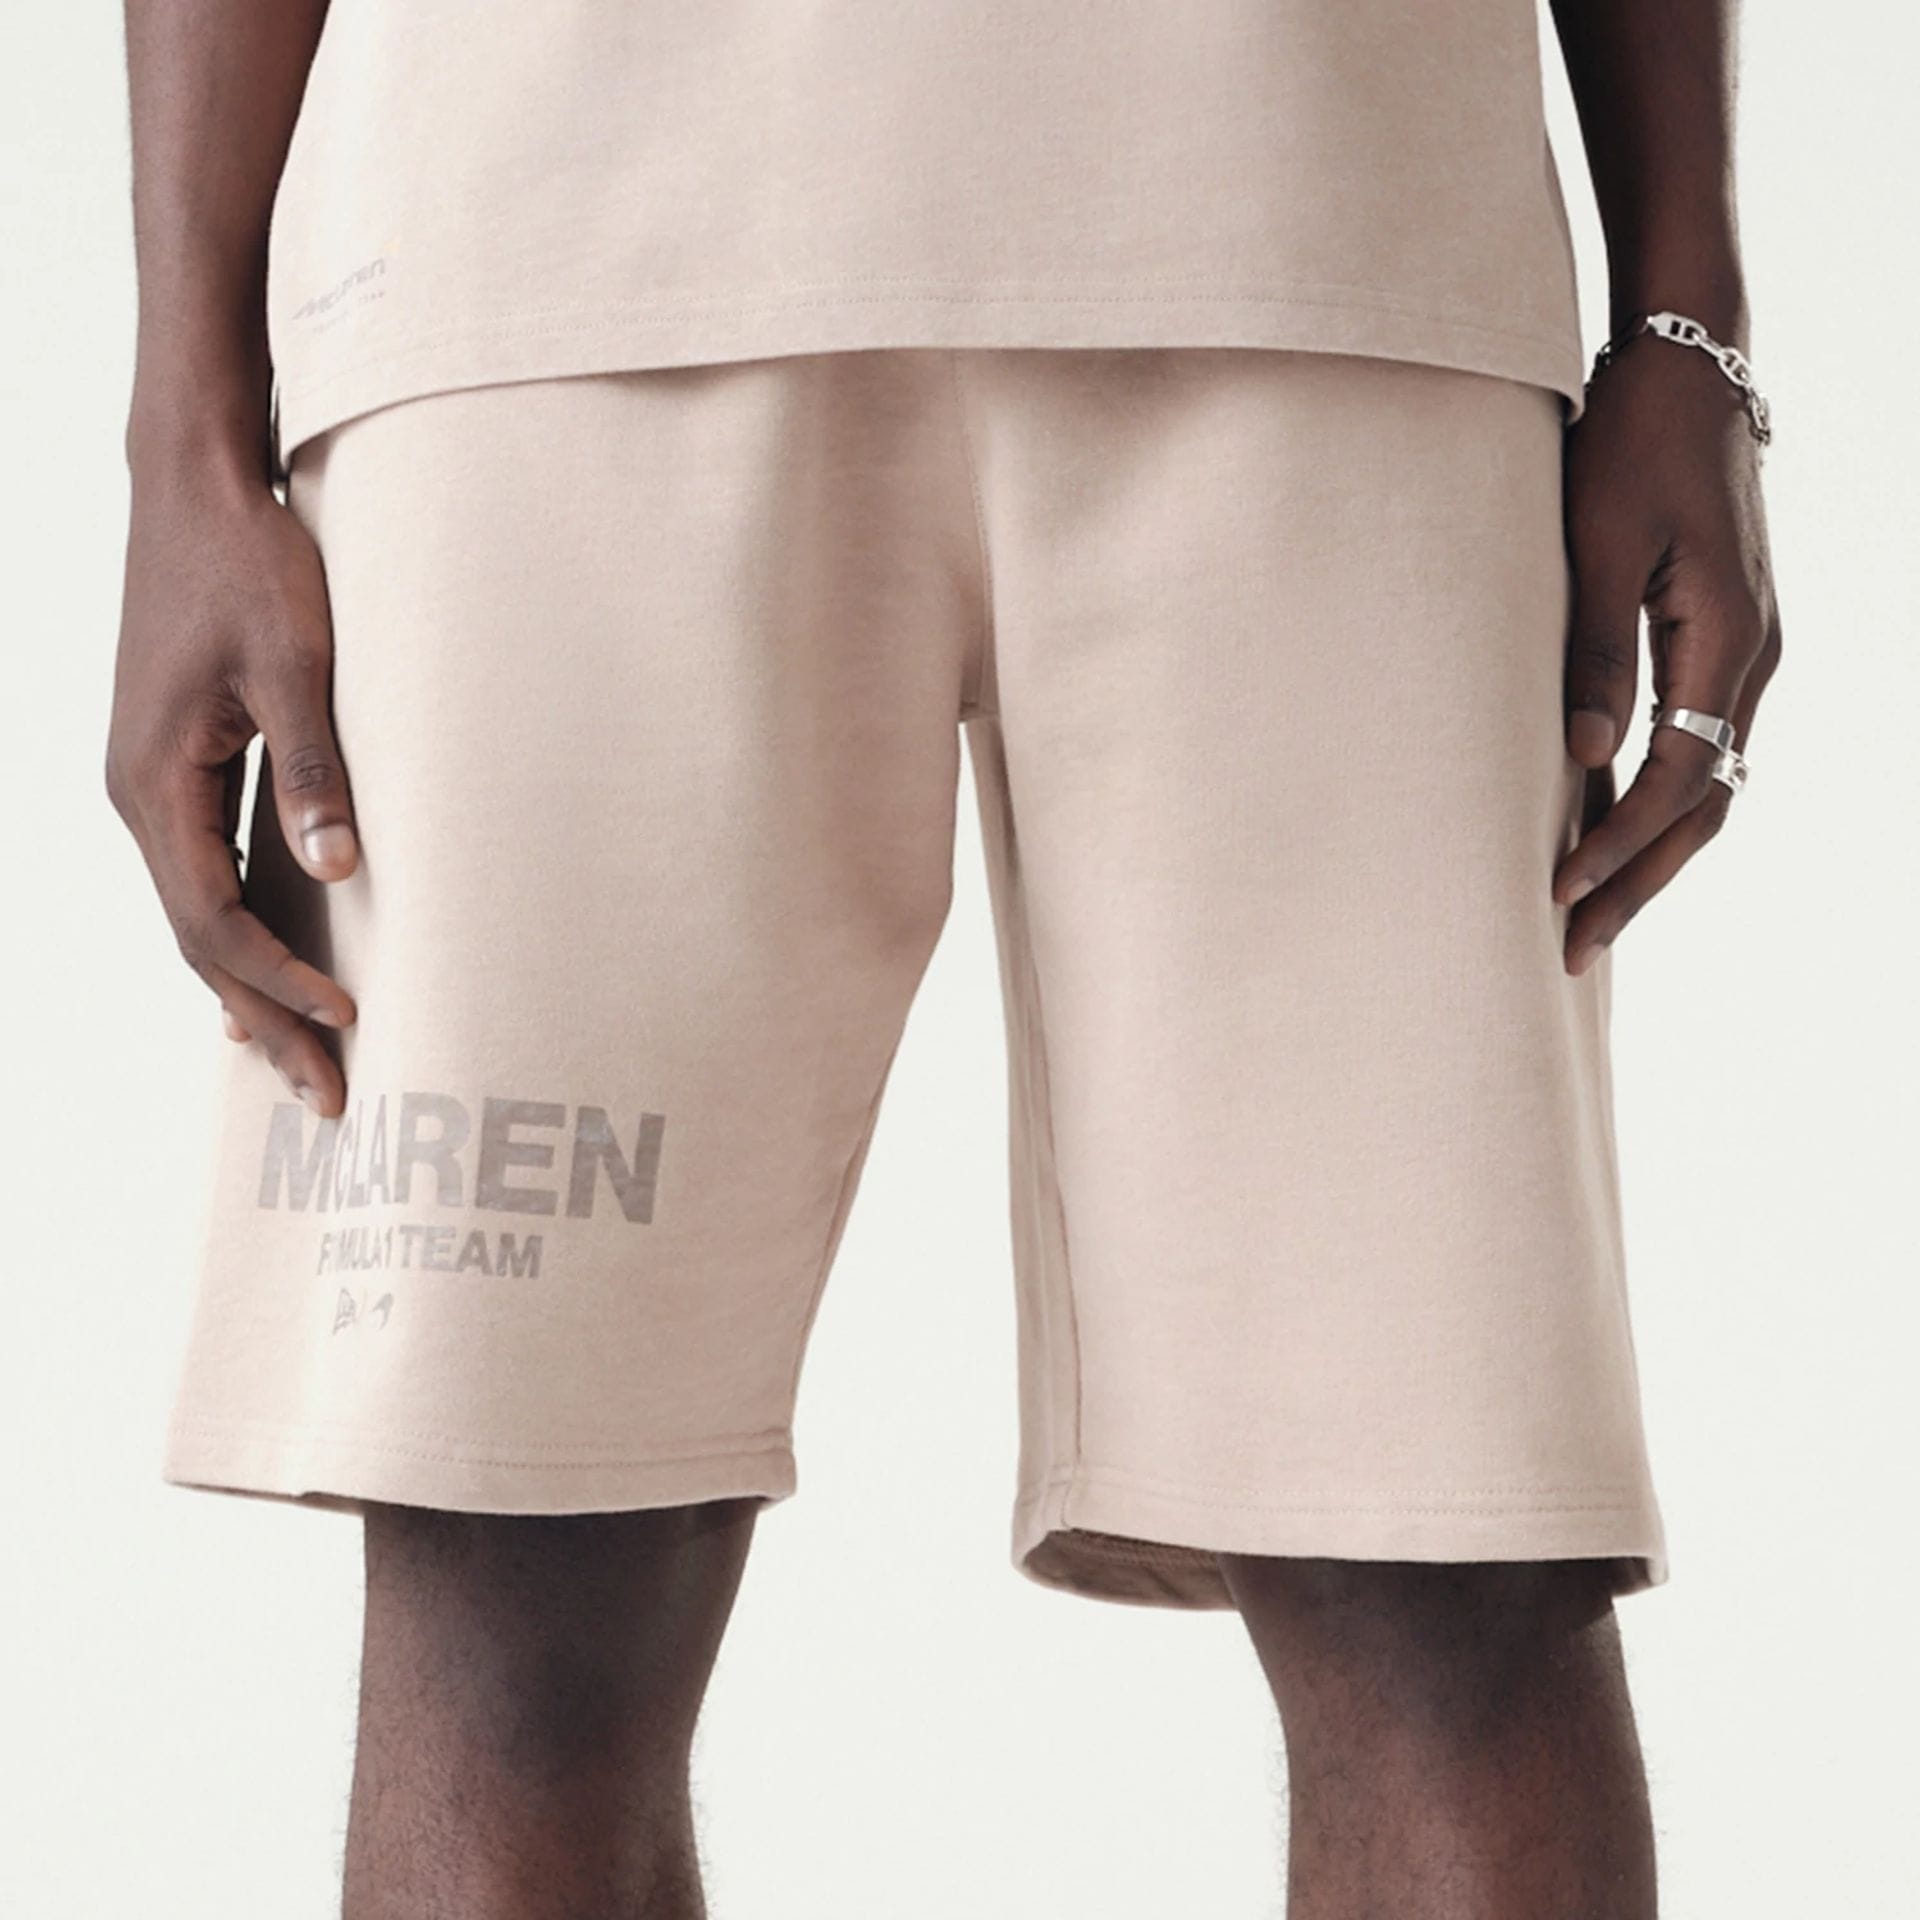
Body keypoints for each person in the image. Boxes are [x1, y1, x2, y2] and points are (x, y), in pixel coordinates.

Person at [108, 2, 1780, 1913]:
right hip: (531, 268)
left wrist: (1691, 320)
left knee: (1452, 1555)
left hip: (1340, 232)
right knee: (511, 1574)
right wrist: (184, 436)